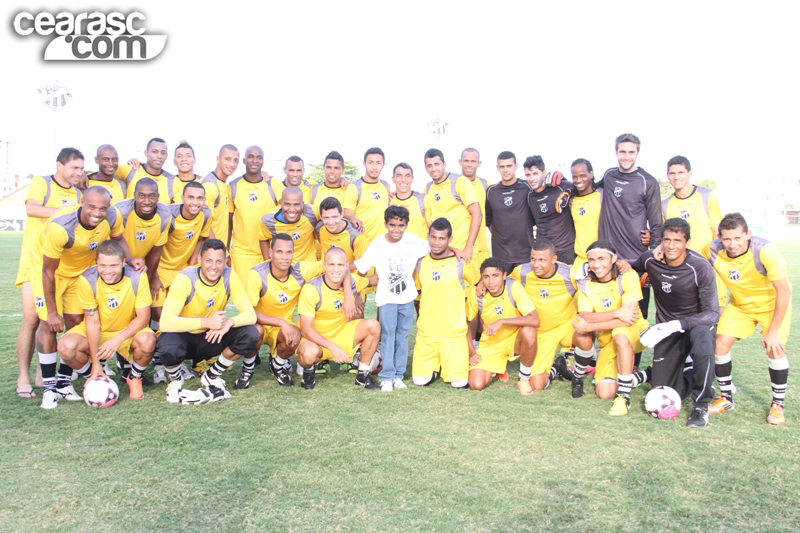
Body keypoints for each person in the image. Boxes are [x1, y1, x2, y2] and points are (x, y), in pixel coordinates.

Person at [33, 186, 128, 409]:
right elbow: (48, 271)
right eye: (92, 206)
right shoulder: (62, 227)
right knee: (49, 324)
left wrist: (130, 259)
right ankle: (50, 388)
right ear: (82, 201)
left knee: (77, 324)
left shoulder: (112, 216)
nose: (97, 212)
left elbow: (119, 239)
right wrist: (53, 311)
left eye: (102, 208)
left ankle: (65, 382)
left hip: (81, 275)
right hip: (52, 273)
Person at [701, 213, 791, 424]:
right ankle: (726, 398)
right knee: (720, 344)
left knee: (775, 348)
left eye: (738, 238)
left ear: (748, 234)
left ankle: (778, 405)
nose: (732, 244)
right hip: (740, 305)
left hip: (772, 304)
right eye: (727, 239)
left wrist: (773, 331)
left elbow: (784, 293)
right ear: (719, 237)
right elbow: (689, 261)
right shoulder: (712, 249)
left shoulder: (764, 251)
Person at [632, 218, 719, 427]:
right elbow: (628, 267)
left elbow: (712, 314)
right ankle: (686, 371)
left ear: (687, 243)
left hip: (694, 327)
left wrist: (675, 324)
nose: (671, 246)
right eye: (667, 240)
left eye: (678, 241)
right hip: (667, 332)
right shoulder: (651, 260)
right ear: (661, 241)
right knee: (670, 392)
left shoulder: (700, 267)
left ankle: (701, 406)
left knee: (703, 343)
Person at [155, 239, 258, 404]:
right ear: (199, 260)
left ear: (225, 261)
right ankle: (175, 379)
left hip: (211, 337)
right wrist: (205, 322)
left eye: (219, 261)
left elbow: (250, 315)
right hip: (185, 338)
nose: (214, 266)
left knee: (251, 333)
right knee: (167, 346)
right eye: (208, 260)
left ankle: (211, 376)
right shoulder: (185, 279)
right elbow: (165, 323)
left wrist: (228, 323)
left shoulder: (230, 275)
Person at [15, 147, 82, 398]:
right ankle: (23, 376)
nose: (78, 172)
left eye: (81, 168)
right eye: (74, 167)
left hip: (59, 266)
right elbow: (32, 209)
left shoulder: (77, 192)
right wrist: (68, 212)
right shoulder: (42, 183)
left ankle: (43, 375)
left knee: (55, 320)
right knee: (32, 319)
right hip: (34, 263)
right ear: (59, 166)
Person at [57, 240, 156, 400]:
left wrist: (117, 339)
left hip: (126, 331)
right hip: (99, 330)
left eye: (114, 266)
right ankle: (96, 377)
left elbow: (144, 317)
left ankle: (134, 377)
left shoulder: (138, 277)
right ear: (96, 262)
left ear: (124, 262)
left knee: (148, 341)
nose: (107, 271)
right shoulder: (86, 279)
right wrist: (96, 363)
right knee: (66, 347)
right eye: (102, 265)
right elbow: (92, 321)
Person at [354, 206, 430, 391]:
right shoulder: (378, 244)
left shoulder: (413, 242)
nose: (396, 229)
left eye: (401, 225)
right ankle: (386, 376)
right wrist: (356, 291)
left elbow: (436, 245)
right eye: (392, 225)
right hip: (387, 299)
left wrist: (457, 250)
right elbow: (361, 268)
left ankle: (398, 375)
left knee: (402, 336)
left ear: (406, 225)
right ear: (386, 224)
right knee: (388, 335)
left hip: (407, 297)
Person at [572, 240, 650, 416]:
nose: (596, 264)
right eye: (591, 260)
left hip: (634, 332)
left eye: (601, 259)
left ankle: (624, 397)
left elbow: (628, 319)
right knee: (604, 393)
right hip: (607, 341)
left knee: (620, 333)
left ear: (614, 258)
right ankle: (645, 376)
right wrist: (617, 313)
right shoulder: (584, 282)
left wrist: (590, 326)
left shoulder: (628, 276)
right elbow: (585, 315)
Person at [238, 234, 325, 389]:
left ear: (293, 254)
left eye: (288, 252)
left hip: (282, 327)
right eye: (279, 252)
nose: (284, 257)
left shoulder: (300, 271)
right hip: (260, 323)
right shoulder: (257, 274)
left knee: (295, 335)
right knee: (253, 332)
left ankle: (277, 365)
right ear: (270, 253)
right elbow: (249, 312)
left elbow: (333, 264)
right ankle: (247, 368)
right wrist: (280, 322)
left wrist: (350, 289)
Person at [509, 240, 593, 396]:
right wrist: (481, 285)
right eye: (533, 259)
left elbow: (595, 281)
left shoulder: (570, 274)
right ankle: (558, 368)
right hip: (540, 333)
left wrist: (623, 265)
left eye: (542, 260)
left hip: (566, 327)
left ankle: (578, 377)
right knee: (537, 384)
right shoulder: (522, 272)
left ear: (554, 259)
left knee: (585, 338)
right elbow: (504, 283)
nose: (536, 264)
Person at [149, 181, 213, 382]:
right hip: (160, 270)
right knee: (160, 317)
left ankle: (178, 362)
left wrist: (192, 267)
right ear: (182, 198)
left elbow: (201, 240)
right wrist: (154, 277)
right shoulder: (168, 215)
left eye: (199, 198)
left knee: (182, 315)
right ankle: (159, 364)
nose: (195, 202)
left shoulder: (206, 215)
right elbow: (155, 247)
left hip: (182, 272)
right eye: (191, 197)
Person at [296, 247, 379, 390]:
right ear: (324, 266)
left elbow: (374, 280)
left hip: (342, 334)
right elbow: (305, 329)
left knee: (373, 326)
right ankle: (309, 372)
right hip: (317, 340)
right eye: (331, 265)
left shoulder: (352, 282)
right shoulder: (311, 289)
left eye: (340, 265)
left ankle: (363, 376)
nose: (336, 269)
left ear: (347, 267)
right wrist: (332, 347)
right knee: (308, 354)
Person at [412, 218, 480, 388]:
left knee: (459, 383)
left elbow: (479, 286)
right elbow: (418, 297)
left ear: (450, 240)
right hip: (427, 334)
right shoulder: (420, 263)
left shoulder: (461, 262)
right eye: (433, 237)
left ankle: (448, 363)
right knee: (419, 381)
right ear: (428, 236)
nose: (436, 242)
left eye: (442, 238)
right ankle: (435, 366)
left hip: (454, 335)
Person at [115, 178, 172, 379]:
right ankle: (123, 362)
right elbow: (110, 242)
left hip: (142, 269)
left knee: (158, 309)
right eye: (142, 196)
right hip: (118, 268)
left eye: (151, 196)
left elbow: (156, 251)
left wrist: (150, 278)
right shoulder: (120, 212)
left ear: (158, 197)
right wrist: (124, 263)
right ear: (134, 196)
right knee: (124, 313)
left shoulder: (165, 215)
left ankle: (157, 358)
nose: (146, 201)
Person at [661, 155, 726, 309]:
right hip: (683, 272)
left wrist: (713, 264)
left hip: (708, 268)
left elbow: (717, 234)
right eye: (672, 173)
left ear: (689, 174)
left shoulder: (707, 196)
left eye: (681, 172)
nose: (676, 177)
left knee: (715, 316)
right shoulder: (665, 204)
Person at [466, 257, 538, 391]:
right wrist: (472, 352)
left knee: (529, 331)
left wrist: (502, 321)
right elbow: (467, 325)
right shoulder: (477, 294)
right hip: (491, 344)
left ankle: (524, 378)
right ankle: (498, 368)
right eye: (486, 277)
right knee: (476, 385)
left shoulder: (513, 287)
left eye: (495, 276)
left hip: (514, 340)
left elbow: (535, 320)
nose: (491, 281)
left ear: (504, 275)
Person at [228, 146, 279, 282]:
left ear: (263, 161)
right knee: (244, 300)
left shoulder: (273, 183)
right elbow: (228, 222)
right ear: (244, 160)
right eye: (251, 156)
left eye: (259, 157)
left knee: (267, 299)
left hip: (267, 252)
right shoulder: (233, 185)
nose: (255, 160)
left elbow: (290, 205)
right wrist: (227, 252)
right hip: (242, 254)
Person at [423, 149, 482, 263]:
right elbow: (429, 221)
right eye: (429, 165)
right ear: (426, 168)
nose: (433, 168)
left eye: (437, 164)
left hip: (462, 252)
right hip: (442, 252)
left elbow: (477, 214)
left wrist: (469, 247)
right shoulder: (427, 188)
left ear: (444, 164)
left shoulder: (460, 182)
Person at [485, 151, 535, 272]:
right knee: (504, 290)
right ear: (497, 168)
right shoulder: (491, 191)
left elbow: (535, 216)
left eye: (509, 166)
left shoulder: (527, 187)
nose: (505, 170)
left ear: (516, 166)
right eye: (502, 166)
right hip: (501, 255)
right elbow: (489, 221)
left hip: (525, 254)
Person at [524, 155, 576, 265]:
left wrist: (567, 185)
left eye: (535, 173)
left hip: (566, 250)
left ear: (544, 173)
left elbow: (582, 187)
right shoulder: (529, 197)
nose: (531, 179)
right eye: (528, 175)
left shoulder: (561, 187)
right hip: (544, 253)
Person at [344, 147, 391, 245]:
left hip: (382, 245)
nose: (374, 167)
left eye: (378, 163)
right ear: (364, 164)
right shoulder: (354, 187)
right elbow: (348, 220)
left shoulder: (386, 185)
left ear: (383, 165)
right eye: (370, 162)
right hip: (362, 245)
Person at [259, 186, 318, 264]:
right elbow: (263, 239)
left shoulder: (312, 213)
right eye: (287, 204)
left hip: (307, 263)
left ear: (302, 204)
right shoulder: (269, 220)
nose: (291, 209)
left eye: (296, 204)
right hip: (283, 264)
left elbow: (334, 213)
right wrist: (268, 263)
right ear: (281, 203)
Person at [310, 151, 361, 230]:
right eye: (329, 167)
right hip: (319, 241)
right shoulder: (314, 189)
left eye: (336, 168)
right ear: (324, 168)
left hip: (344, 241)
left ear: (342, 170)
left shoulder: (350, 190)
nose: (332, 171)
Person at [202, 144, 240, 251]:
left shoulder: (225, 185)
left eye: (235, 160)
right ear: (218, 159)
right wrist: (215, 251)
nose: (232, 164)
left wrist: (226, 251)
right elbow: (204, 222)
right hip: (211, 252)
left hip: (220, 251)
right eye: (227, 159)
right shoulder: (210, 185)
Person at [569, 158, 602, 273]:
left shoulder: (602, 195)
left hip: (601, 259)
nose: (578, 180)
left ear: (591, 174)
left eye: (582, 175)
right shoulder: (571, 201)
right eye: (574, 177)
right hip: (580, 260)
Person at [119, 138, 175, 205]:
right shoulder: (130, 170)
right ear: (146, 153)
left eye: (163, 153)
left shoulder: (173, 181)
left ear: (166, 156)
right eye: (154, 151)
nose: (159, 156)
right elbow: (106, 175)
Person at [459, 148, 490, 265]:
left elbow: (492, 216)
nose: (469, 164)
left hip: (481, 249)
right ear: (460, 162)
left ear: (479, 163)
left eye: (473, 161)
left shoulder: (486, 185)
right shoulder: (454, 183)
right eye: (466, 161)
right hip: (459, 247)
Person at [317, 197, 368, 265]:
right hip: (326, 272)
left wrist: (339, 268)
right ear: (320, 217)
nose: (331, 222)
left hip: (350, 274)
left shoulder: (356, 235)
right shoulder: (319, 228)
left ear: (341, 215)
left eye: (334, 217)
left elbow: (363, 265)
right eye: (326, 217)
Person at [389, 163, 427, 240]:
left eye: (407, 176)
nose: (403, 179)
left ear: (412, 179)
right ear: (393, 179)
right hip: (397, 251)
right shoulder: (388, 201)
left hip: (420, 251)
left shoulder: (423, 199)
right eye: (399, 175)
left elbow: (434, 228)